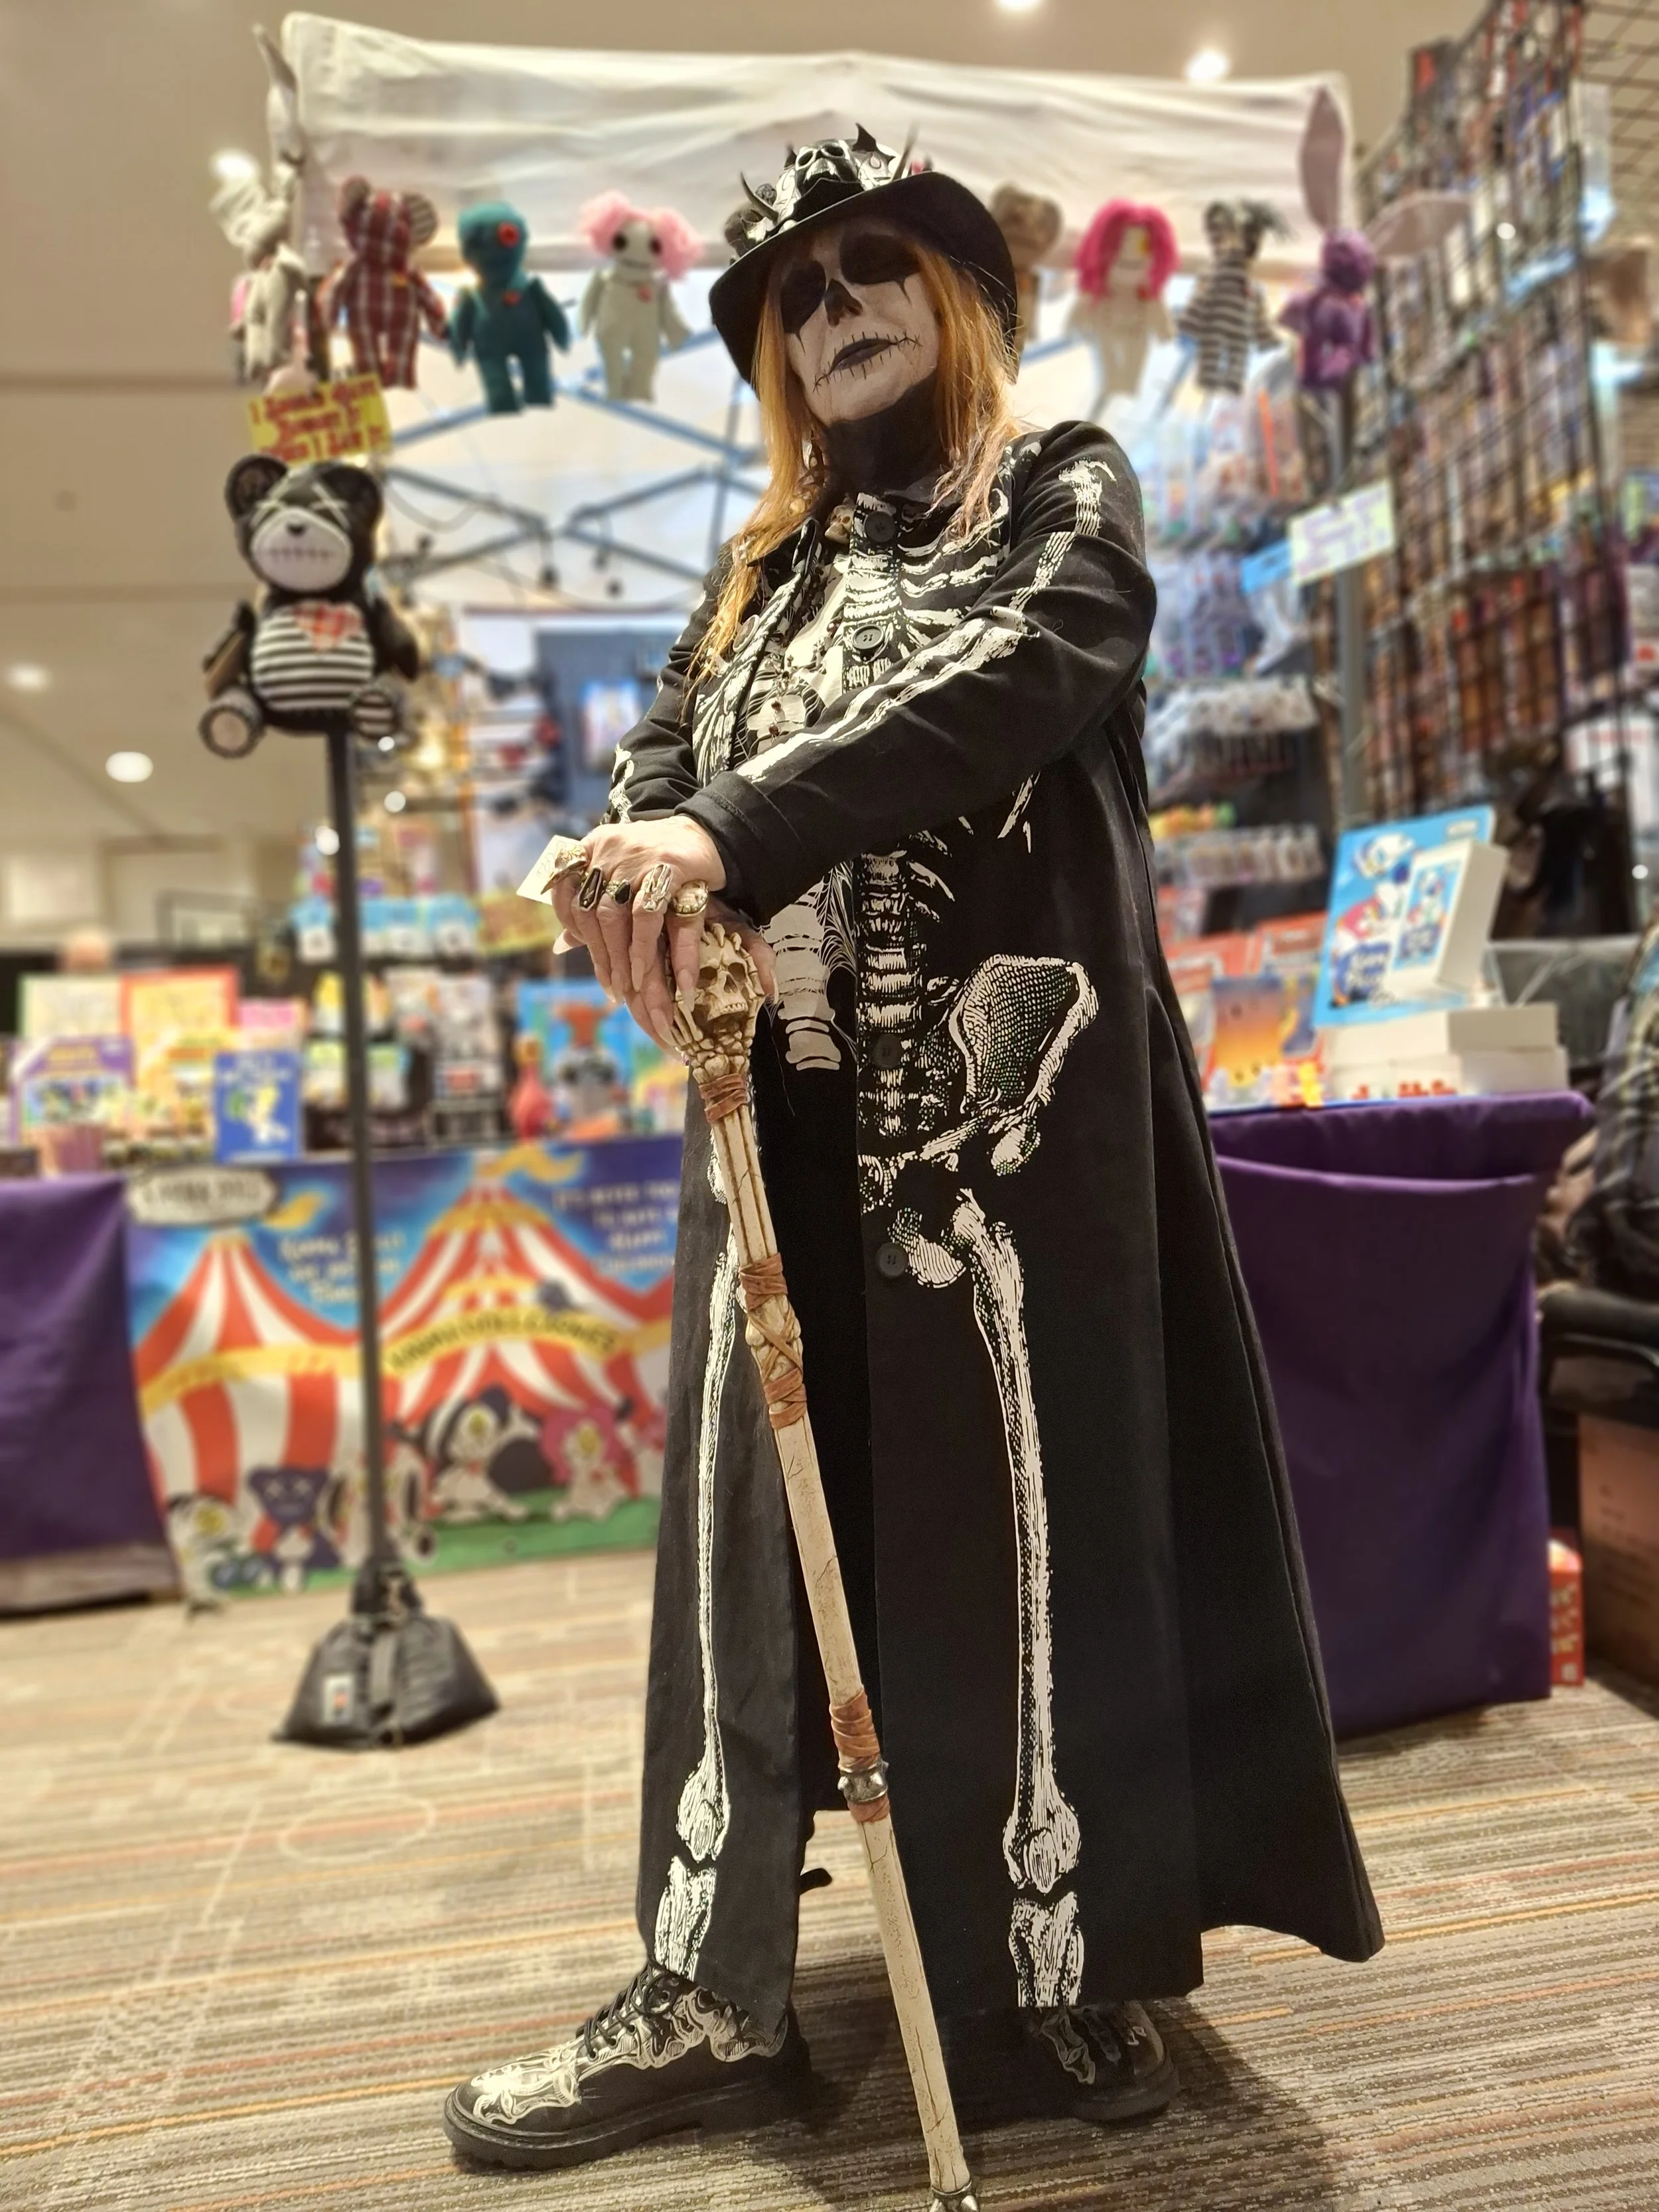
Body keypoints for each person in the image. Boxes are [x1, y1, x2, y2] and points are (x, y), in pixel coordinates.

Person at [444, 131, 1381, 2174]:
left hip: (1000, 1131)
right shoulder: (762, 573)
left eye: (875, 266)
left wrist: (726, 828)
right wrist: (627, 839)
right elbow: (673, 743)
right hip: (770, 1120)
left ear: (955, 298)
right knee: (760, 1540)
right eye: (794, 291)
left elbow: (1019, 679)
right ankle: (707, 1984)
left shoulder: (1063, 491)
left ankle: (1043, 1961)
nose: (833, 303)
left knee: (1021, 1531)